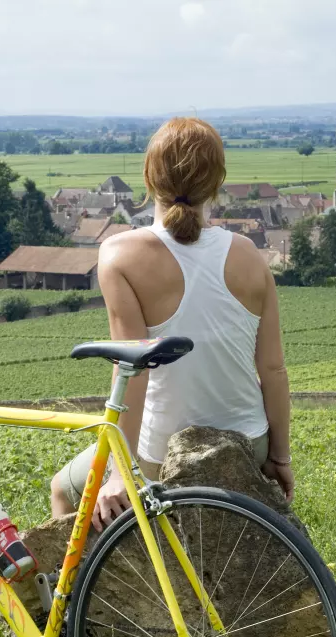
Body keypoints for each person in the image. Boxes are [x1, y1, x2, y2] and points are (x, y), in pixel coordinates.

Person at [51, 117, 294, 532]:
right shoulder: (250, 255)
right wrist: (279, 458)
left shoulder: (118, 255)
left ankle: (77, 595)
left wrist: (119, 473)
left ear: (148, 179)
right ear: (217, 182)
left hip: (160, 452)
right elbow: (272, 371)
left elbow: (134, 371)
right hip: (247, 444)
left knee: (61, 489)